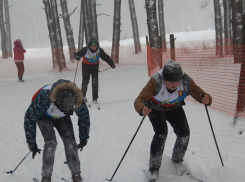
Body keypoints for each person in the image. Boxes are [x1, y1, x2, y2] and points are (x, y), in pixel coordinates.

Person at [134, 59, 212, 179]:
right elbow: (139, 100)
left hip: (174, 107)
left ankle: (177, 160)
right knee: (161, 133)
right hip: (155, 108)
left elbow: (200, 94)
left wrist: (206, 99)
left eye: (176, 81)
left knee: (184, 132)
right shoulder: (155, 81)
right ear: (164, 77)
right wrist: (142, 109)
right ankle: (154, 168)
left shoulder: (186, 81)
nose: (173, 84)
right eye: (169, 81)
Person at [24, 79, 90, 182]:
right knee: (51, 143)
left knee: (71, 142)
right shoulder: (44, 97)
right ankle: (46, 176)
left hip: (63, 118)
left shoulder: (77, 99)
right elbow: (29, 117)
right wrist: (31, 141)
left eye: (69, 109)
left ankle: (76, 174)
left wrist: (83, 137)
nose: (66, 110)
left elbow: (84, 118)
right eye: (63, 108)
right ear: (56, 100)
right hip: (43, 115)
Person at [74, 37, 116, 103]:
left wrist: (112, 64)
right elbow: (77, 54)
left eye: (95, 46)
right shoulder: (85, 49)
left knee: (95, 83)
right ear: (90, 45)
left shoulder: (99, 50)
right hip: (86, 67)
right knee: (85, 82)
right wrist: (77, 57)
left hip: (95, 67)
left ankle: (95, 98)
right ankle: (83, 97)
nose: (94, 47)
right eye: (92, 46)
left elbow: (106, 57)